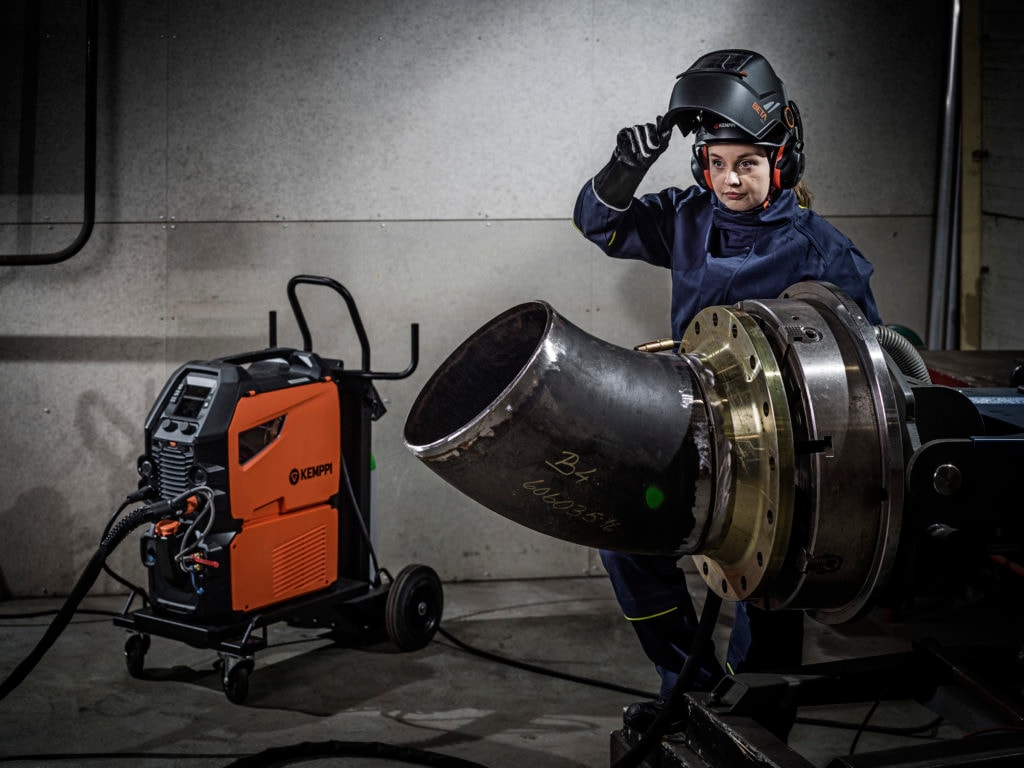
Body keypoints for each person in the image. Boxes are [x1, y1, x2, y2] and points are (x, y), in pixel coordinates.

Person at [572, 49, 882, 734]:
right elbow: (600, 224)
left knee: (768, 586)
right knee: (625, 534)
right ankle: (689, 684)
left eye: (745, 162)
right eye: (715, 163)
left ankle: (755, 718)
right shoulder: (687, 217)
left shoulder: (822, 251)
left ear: (781, 161)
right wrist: (627, 167)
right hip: (691, 430)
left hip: (786, 453)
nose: (728, 178)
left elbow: (869, 364)